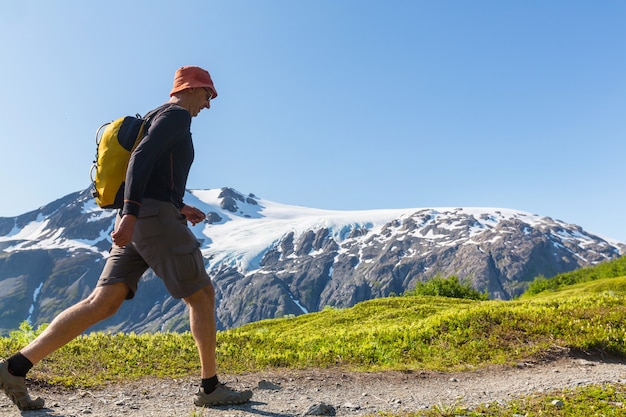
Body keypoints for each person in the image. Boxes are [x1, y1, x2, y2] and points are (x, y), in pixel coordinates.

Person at [0, 66, 253, 410]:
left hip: (142, 219)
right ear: (192, 88)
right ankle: (211, 389)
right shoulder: (176, 115)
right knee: (203, 294)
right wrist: (135, 213)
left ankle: (14, 368)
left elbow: (155, 173)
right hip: (148, 219)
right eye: (208, 94)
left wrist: (179, 207)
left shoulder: (154, 116)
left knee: (103, 303)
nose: (208, 105)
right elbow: (141, 159)